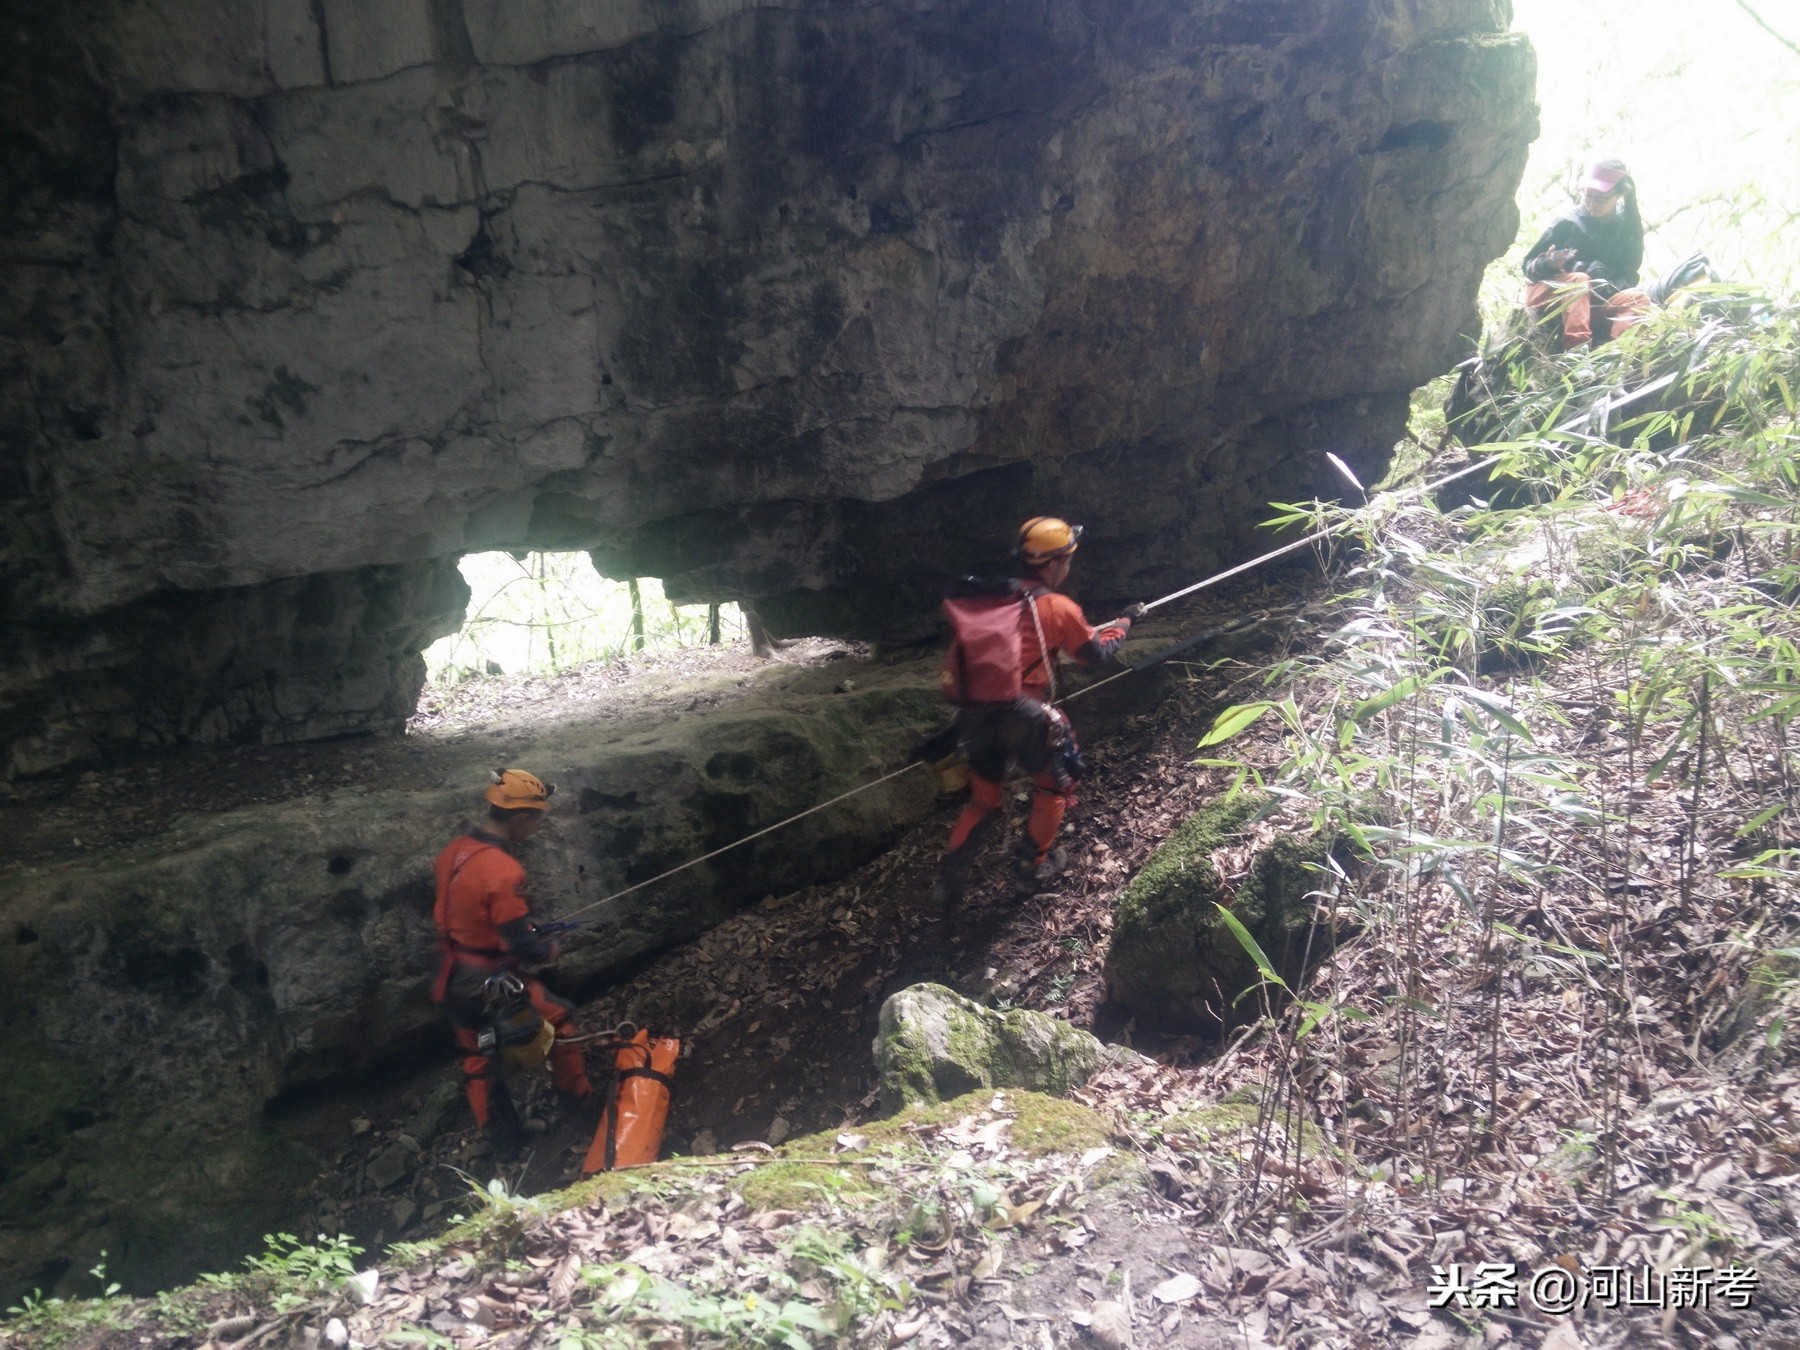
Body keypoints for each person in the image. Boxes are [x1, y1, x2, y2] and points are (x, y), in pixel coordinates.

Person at [931, 517, 1141, 904]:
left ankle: (949, 878)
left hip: (977, 718)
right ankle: (1031, 869)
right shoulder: (1056, 606)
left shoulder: (992, 603)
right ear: (1054, 564)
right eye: (1068, 560)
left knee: (983, 801)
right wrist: (1124, 624)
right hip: (1025, 717)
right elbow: (1092, 654)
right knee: (1055, 784)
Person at [431, 769, 592, 1148]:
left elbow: (471, 912)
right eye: (537, 819)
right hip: (485, 978)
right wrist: (548, 948)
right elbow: (522, 947)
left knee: (477, 1055)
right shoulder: (503, 870)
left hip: (448, 972)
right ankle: (579, 1102)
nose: (536, 827)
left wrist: (522, 929)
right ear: (521, 817)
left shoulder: (453, 851)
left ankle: (502, 1140)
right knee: (561, 1019)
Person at [1522, 158, 1653, 349]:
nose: (1593, 203)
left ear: (1618, 195)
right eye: (1588, 196)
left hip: (1594, 304)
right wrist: (1548, 263)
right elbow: (1527, 265)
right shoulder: (1567, 223)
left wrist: (1604, 286)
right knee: (1579, 280)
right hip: (1550, 295)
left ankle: (1617, 355)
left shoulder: (1627, 226)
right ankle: (1577, 350)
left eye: (1601, 198)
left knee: (1639, 298)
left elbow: (1630, 274)